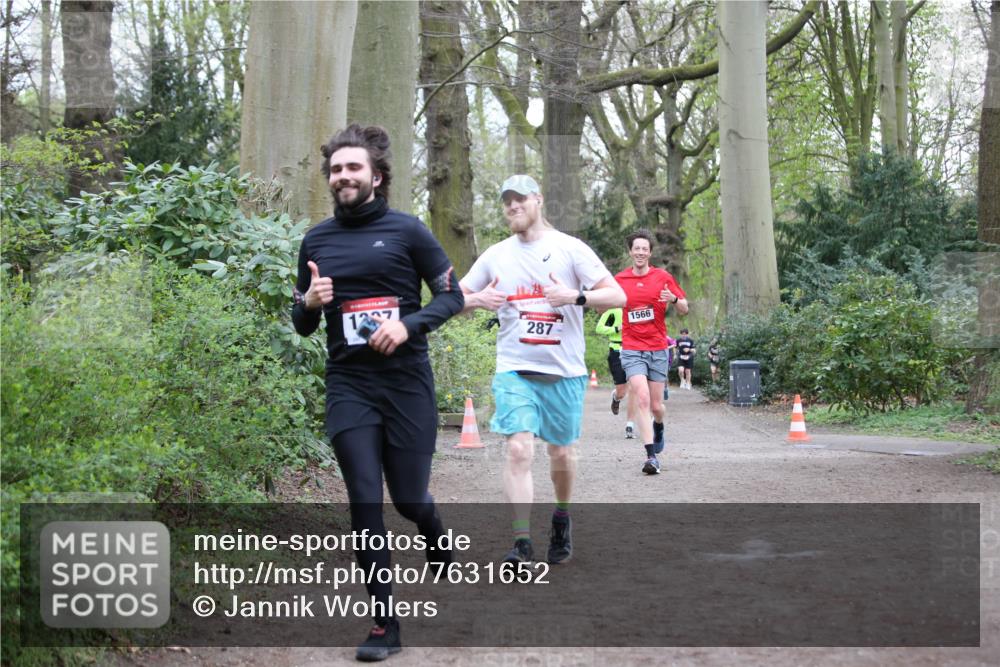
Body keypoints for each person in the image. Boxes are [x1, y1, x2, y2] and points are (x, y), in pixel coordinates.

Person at [292, 124, 464, 662]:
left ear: (377, 176)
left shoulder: (408, 232)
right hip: (350, 384)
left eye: (353, 168)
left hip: (406, 382)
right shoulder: (316, 241)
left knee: (409, 499)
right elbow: (300, 323)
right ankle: (383, 625)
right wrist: (312, 304)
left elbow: (452, 296)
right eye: (336, 170)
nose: (343, 177)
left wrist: (409, 326)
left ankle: (432, 527)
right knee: (365, 500)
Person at [460, 174, 625, 565]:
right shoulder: (496, 255)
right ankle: (521, 542)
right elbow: (454, 298)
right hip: (515, 370)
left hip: (563, 372)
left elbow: (617, 294)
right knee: (518, 449)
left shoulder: (570, 249)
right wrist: (477, 299)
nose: (513, 207)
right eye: (506, 202)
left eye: (520, 199)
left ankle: (562, 517)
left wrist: (576, 296)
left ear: (538, 200)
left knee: (561, 456)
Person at [614, 230, 688, 475]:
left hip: (657, 348)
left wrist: (675, 300)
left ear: (650, 253)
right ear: (630, 251)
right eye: (636, 248)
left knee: (657, 406)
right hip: (632, 348)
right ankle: (651, 456)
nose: (640, 253)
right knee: (642, 398)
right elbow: (603, 298)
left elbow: (684, 309)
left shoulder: (662, 277)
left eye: (644, 249)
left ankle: (659, 426)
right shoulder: (620, 279)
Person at [595, 307, 637, 439]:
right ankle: (616, 398)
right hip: (616, 350)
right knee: (622, 392)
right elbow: (599, 328)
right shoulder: (612, 312)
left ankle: (630, 425)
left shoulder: (636, 310)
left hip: (635, 350)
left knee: (634, 388)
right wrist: (616, 329)